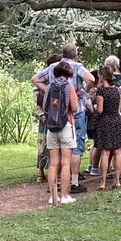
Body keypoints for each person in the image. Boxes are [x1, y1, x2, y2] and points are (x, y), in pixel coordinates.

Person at [32, 43, 95, 195]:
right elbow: (91, 79)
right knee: (75, 147)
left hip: (53, 114)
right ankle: (73, 182)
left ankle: (53, 187)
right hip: (75, 112)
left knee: (54, 154)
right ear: (75, 54)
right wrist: (81, 92)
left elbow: (35, 79)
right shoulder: (77, 66)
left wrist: (48, 89)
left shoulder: (53, 66)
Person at [43, 60, 80, 204]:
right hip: (66, 125)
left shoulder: (49, 87)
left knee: (53, 163)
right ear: (68, 73)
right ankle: (64, 195)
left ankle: (53, 196)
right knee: (65, 163)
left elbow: (45, 105)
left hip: (51, 127)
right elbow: (75, 108)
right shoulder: (69, 87)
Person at [94, 64, 121, 189]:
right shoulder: (117, 89)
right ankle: (117, 180)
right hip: (117, 121)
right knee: (118, 152)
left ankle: (102, 182)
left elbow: (100, 110)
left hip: (105, 122)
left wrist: (95, 108)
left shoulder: (101, 91)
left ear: (102, 76)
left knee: (105, 153)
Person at [35, 53, 59, 183]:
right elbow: (36, 99)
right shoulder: (41, 81)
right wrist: (42, 114)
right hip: (45, 117)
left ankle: (55, 170)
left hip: (55, 116)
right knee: (42, 144)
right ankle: (41, 171)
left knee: (55, 144)